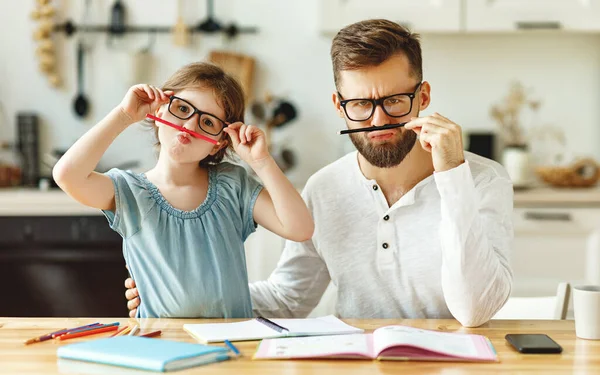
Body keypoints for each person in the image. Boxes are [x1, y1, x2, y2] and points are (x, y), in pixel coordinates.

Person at [126, 19, 513, 327]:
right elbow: (288, 299)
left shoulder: (481, 180)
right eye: (360, 103)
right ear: (339, 106)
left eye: (395, 101)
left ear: (423, 97)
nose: (378, 120)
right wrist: (184, 293)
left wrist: (452, 176)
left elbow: (474, 312)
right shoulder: (325, 188)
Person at [53, 62, 314, 318]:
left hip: (233, 341)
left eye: (208, 123)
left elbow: (299, 229)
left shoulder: (234, 185)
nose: (189, 126)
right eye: (181, 109)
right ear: (159, 112)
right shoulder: (129, 192)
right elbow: (67, 175)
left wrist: (262, 162)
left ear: (218, 144)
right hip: (159, 342)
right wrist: (123, 116)